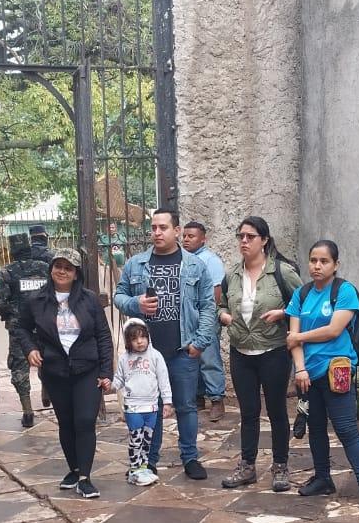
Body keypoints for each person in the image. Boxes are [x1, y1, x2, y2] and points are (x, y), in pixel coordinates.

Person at [114, 209, 217, 480]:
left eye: (163, 227)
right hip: (145, 352)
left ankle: (190, 458)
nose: (157, 232)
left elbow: (208, 305)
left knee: (185, 405)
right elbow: (119, 295)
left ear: (177, 231)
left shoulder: (195, 265)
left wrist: (200, 342)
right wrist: (136, 303)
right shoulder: (136, 264)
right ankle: (149, 460)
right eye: (153, 227)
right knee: (151, 406)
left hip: (183, 350)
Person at [286, 240, 359, 513]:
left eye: (324, 261)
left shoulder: (344, 291)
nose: (317, 266)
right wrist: (300, 369)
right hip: (308, 374)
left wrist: (299, 337)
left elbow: (334, 330)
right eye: (313, 260)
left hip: (336, 371)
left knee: (347, 429)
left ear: (335, 265)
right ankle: (323, 478)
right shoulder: (301, 295)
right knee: (315, 428)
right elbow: (293, 340)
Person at [17, 248, 114, 498]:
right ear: (51, 269)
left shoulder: (89, 299)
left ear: (76, 273)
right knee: (66, 422)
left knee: (84, 421)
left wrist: (106, 371)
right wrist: (30, 349)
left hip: (87, 369)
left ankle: (85, 477)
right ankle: (73, 469)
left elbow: (103, 335)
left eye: (68, 268)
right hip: (55, 371)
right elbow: (22, 329)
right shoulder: (36, 300)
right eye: (58, 266)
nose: (62, 271)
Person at [217, 216, 302, 491]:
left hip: (273, 351)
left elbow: (303, 301)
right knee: (248, 412)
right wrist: (225, 317)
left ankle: (280, 466)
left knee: (277, 410)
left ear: (264, 240)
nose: (244, 241)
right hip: (241, 351)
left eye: (250, 236)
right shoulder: (232, 274)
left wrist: (284, 312)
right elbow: (219, 305)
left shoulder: (282, 272)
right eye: (240, 236)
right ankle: (248, 465)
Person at [0, 233, 51, 427]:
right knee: (50, 360)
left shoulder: (6, 273)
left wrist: (12, 314)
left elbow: (0, 303)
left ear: (12, 250)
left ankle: (27, 409)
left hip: (19, 329)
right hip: (45, 325)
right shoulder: (45, 269)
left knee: (20, 367)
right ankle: (47, 389)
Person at [112, 318, 173, 485]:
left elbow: (163, 379)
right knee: (135, 438)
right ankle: (134, 469)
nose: (139, 342)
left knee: (148, 439)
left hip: (151, 406)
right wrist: (108, 385)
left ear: (148, 337)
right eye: (134, 339)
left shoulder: (155, 356)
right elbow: (118, 380)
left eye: (142, 337)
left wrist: (167, 402)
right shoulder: (125, 359)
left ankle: (144, 467)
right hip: (133, 406)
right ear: (128, 341)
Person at [181, 220, 227, 421]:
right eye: (184, 236)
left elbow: (216, 295)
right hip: (189, 319)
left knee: (209, 359)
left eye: (191, 236)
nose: (186, 239)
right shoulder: (184, 260)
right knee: (192, 359)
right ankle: (198, 397)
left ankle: (217, 400)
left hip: (206, 320)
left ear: (203, 239)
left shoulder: (210, 260)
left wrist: (206, 320)